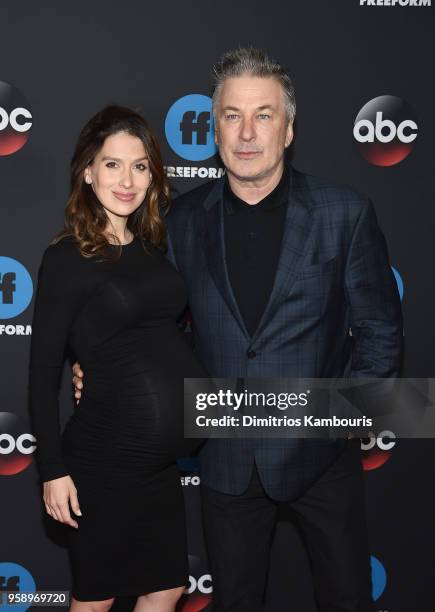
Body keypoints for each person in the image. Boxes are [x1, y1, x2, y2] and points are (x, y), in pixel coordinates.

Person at [73, 48, 403, 611]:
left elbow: (380, 332)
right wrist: (103, 368)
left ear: (289, 129)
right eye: (232, 115)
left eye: (264, 115)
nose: (247, 133)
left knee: (347, 599)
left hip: (322, 457)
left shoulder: (343, 211)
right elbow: (155, 328)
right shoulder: (180, 222)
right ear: (215, 128)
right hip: (226, 458)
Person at [29, 105, 207, 612]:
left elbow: (156, 342)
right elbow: (43, 376)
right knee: (97, 599)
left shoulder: (153, 248)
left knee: (167, 588)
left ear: (153, 175)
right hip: (104, 460)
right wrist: (52, 470)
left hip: (157, 467)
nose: (127, 180)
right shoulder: (67, 258)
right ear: (88, 171)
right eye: (112, 164)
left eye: (140, 165)